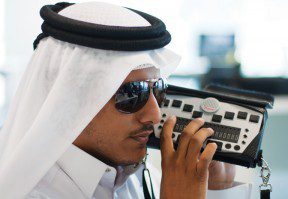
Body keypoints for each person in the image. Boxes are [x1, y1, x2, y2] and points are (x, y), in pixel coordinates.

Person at [0, 2, 252, 198]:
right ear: (72, 100)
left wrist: (216, 189)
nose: (154, 115)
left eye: (158, 90)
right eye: (133, 93)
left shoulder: (148, 178)